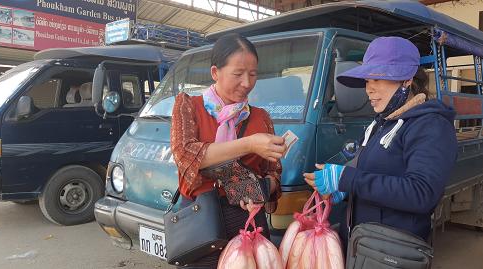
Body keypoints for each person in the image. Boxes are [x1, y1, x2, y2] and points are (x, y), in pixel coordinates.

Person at [303, 36, 458, 243]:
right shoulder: (382, 123)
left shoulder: (431, 126)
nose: (369, 89)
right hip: (363, 245)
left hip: (391, 252)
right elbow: (374, 178)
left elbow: (422, 193)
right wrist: (343, 190)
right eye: (367, 80)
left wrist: (347, 179)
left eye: (377, 78)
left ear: (407, 80)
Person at [170, 33, 286, 268]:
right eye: (238, 74)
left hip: (248, 219)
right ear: (215, 72)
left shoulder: (261, 117)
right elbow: (186, 155)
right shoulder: (188, 106)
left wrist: (259, 189)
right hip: (201, 219)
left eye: (253, 75)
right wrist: (250, 144)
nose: (246, 83)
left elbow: (273, 173)